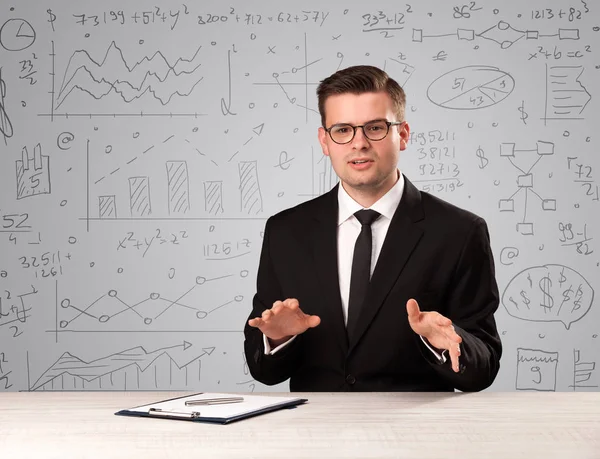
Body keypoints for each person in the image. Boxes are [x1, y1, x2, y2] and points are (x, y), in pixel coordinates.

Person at [243, 65, 502, 392]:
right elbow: (262, 369)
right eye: (342, 130)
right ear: (325, 141)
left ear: (403, 134)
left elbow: (484, 366)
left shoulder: (460, 232)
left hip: (416, 434)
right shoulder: (286, 232)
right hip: (313, 433)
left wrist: (443, 341)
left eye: (375, 128)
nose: (359, 143)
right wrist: (278, 337)